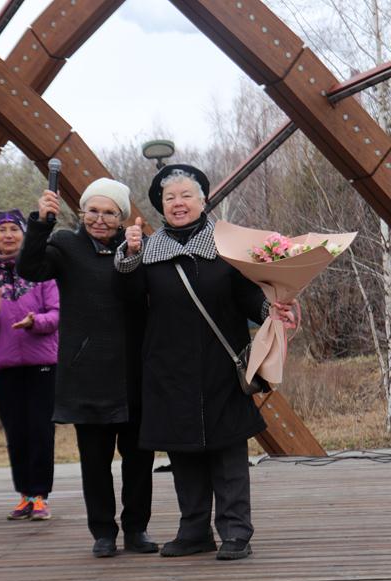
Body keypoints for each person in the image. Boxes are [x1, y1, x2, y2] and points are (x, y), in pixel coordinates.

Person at [115, 164, 296, 560]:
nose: (178, 203)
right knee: (183, 453)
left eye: (186, 196)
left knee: (228, 452)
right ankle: (194, 530)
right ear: (161, 205)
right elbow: (130, 299)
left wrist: (270, 310)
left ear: (203, 201)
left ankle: (235, 532)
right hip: (168, 369)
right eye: (170, 197)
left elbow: (247, 295)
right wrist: (128, 256)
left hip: (221, 366)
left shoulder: (226, 246)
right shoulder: (147, 252)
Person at [17, 178, 156, 557]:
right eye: (92, 210)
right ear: (81, 213)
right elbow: (30, 268)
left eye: (109, 212)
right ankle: (103, 532)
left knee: (139, 460)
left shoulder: (137, 247)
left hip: (134, 374)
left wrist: (134, 253)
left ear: (122, 217)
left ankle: (136, 530)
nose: (100, 219)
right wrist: (41, 223)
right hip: (87, 375)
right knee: (95, 463)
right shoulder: (66, 245)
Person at [0, 209, 59, 521]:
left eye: (14, 229)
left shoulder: (42, 271)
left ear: (24, 235)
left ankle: (40, 496)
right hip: (5, 365)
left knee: (40, 429)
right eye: (2, 229)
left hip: (42, 363)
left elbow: (56, 314)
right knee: (16, 431)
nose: (8, 235)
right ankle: (25, 495)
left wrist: (35, 322)